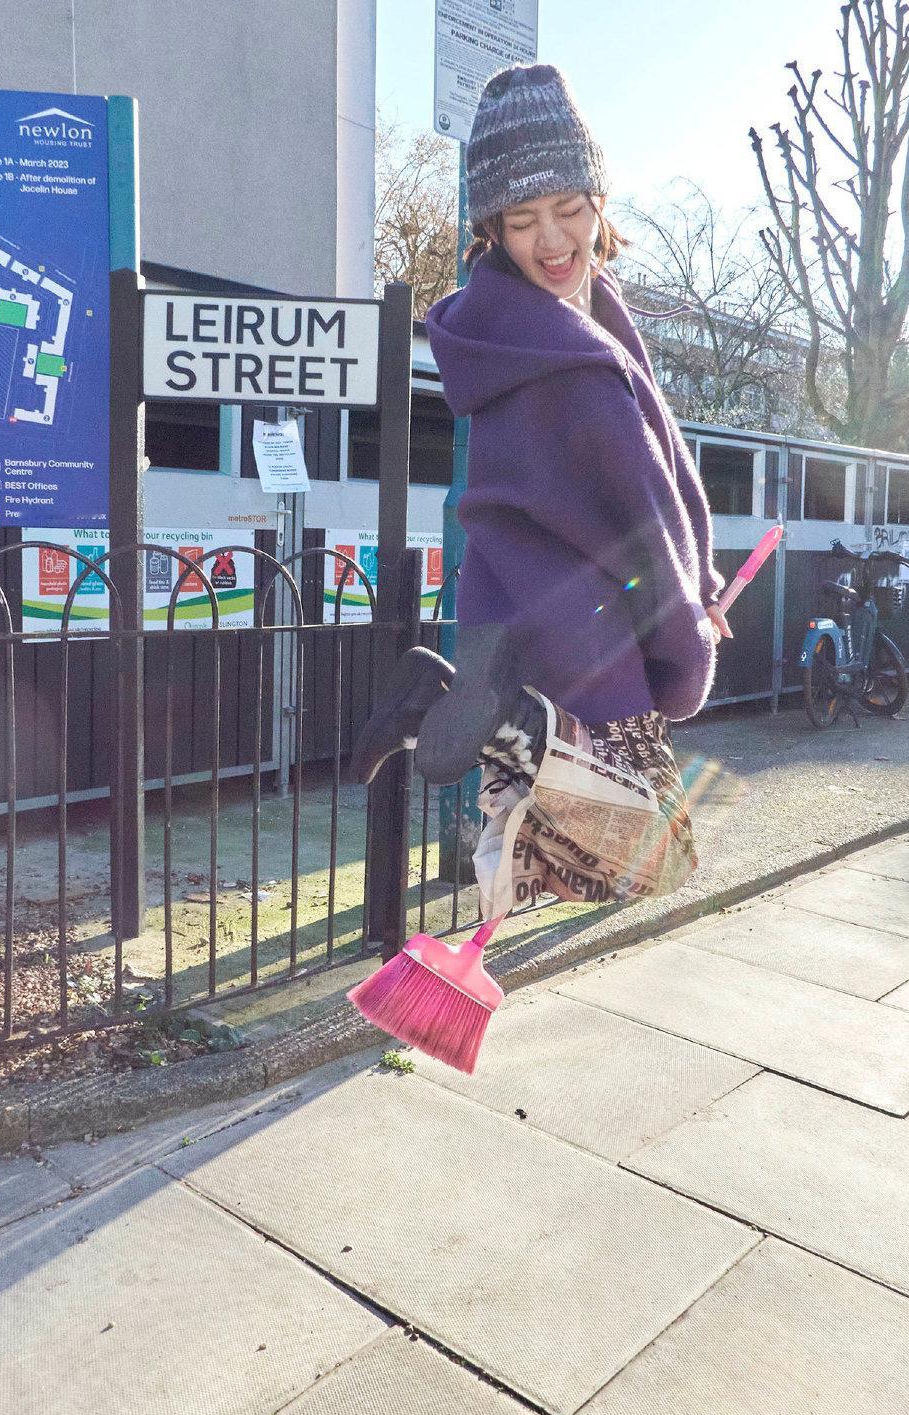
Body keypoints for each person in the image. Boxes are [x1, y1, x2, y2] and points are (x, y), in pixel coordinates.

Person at [353, 63, 731, 920]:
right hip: (584, 642)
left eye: (571, 209)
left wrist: (699, 583)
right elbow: (643, 511)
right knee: (648, 863)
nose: (553, 240)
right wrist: (685, 644)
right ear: (491, 229)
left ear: (602, 202)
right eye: (522, 221)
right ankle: (507, 718)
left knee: (562, 853)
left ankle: (473, 710)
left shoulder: (556, 322)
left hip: (518, 613)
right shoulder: (564, 359)